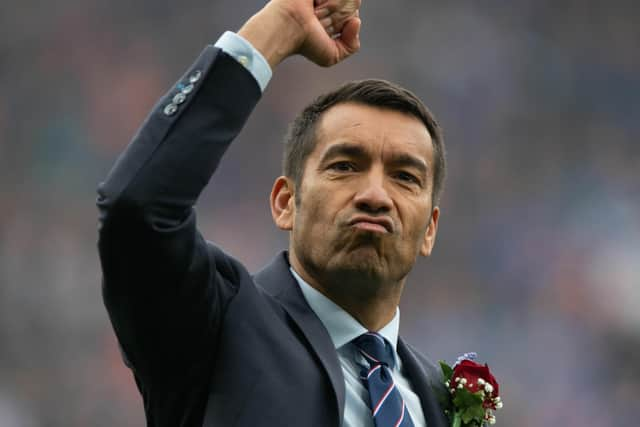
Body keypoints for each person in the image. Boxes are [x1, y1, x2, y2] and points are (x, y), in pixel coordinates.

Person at [97, 0, 449, 426]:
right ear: (286, 203)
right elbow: (138, 208)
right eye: (344, 166)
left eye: (405, 177)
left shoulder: (441, 396)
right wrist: (280, 26)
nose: (375, 195)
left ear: (429, 229)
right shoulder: (216, 322)